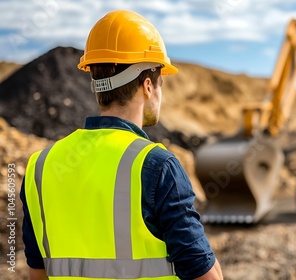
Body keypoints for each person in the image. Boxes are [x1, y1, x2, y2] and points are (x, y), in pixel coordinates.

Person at [21, 10, 223, 280]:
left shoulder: (40, 167)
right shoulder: (157, 166)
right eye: (161, 83)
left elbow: (37, 274)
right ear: (148, 85)